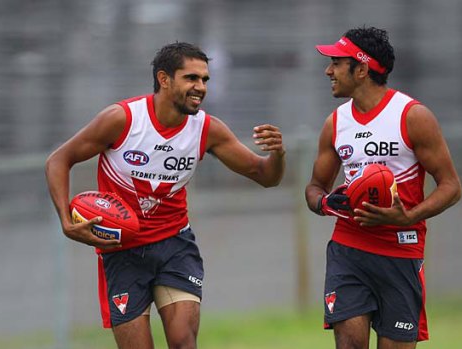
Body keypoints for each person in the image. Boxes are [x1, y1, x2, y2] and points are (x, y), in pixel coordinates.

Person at [45, 42, 285, 349]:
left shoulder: (206, 129)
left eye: (205, 80)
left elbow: (265, 176)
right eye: (191, 78)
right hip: (122, 251)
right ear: (164, 79)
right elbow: (58, 160)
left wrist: (278, 154)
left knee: (184, 341)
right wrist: (66, 221)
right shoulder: (123, 119)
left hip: (174, 245)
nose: (200, 87)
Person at [305, 27, 461, 349]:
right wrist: (325, 203)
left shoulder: (412, 116)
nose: (328, 70)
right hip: (348, 249)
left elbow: (451, 186)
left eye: (336, 62)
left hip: (400, 251)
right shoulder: (335, 123)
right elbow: (315, 188)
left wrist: (409, 217)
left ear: (361, 69)